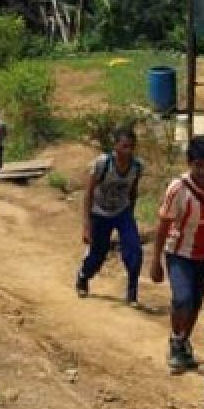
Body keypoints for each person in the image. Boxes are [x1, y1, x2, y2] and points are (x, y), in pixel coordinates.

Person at [150, 135, 204, 372]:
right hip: (178, 251)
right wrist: (155, 261)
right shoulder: (177, 189)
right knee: (183, 297)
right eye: (198, 165)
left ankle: (182, 340)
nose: (203, 171)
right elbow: (163, 227)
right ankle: (176, 342)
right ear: (189, 163)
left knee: (197, 299)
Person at [76, 126, 144, 306]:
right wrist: (86, 224)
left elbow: (133, 191)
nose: (127, 151)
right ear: (115, 147)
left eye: (131, 147)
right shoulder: (103, 164)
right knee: (99, 253)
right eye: (124, 146)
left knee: (134, 249)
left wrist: (130, 216)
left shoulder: (136, 167)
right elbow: (89, 193)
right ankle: (84, 275)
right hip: (99, 212)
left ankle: (132, 292)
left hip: (122, 211)